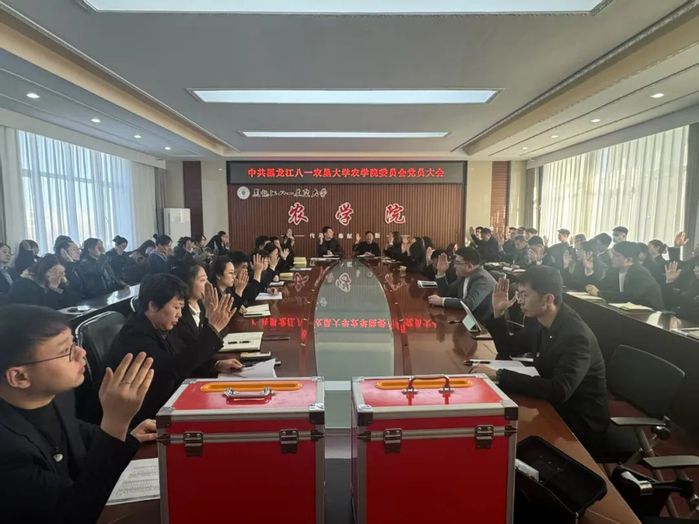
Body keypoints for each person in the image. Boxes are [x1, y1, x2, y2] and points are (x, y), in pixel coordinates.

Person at [0, 305, 157, 523]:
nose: (82, 352)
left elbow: (78, 432)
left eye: (74, 342)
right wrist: (115, 423)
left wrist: (125, 436)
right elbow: (74, 514)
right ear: (19, 377)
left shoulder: (57, 396)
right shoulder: (7, 451)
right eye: (66, 351)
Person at [474, 268, 609, 448]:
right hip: (548, 404)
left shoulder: (576, 337)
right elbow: (509, 347)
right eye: (518, 294)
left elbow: (559, 390)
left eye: (524, 295)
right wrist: (499, 312)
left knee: (506, 442)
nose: (519, 300)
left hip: (578, 420)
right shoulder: (538, 320)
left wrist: (500, 375)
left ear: (547, 299)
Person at [107, 273, 237, 424]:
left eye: (181, 308)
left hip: (169, 400)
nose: (179, 314)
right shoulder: (135, 335)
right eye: (176, 307)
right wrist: (213, 328)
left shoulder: (160, 325)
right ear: (153, 306)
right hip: (146, 418)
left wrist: (215, 365)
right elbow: (172, 369)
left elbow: (182, 354)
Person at [170, 262, 243, 374]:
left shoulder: (203, 305)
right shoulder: (178, 315)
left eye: (207, 279)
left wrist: (216, 365)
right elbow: (189, 357)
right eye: (202, 280)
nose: (208, 284)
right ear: (187, 284)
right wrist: (212, 324)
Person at [586, 241, 664, 310]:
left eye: (616, 256)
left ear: (629, 260)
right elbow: (600, 286)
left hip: (649, 313)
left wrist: (600, 293)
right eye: (613, 254)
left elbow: (629, 296)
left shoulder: (641, 273)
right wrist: (589, 270)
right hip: (626, 311)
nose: (612, 258)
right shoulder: (614, 271)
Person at [428, 247, 497, 322]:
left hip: (483, 324)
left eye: (457, 263)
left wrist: (442, 301)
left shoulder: (482, 279)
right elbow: (446, 293)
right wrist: (441, 272)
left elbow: (470, 304)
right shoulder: (464, 275)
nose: (454, 266)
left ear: (469, 266)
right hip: (467, 319)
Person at [8, 254, 80, 309]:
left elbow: (72, 302)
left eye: (61, 273)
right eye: (55, 272)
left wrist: (65, 283)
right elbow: (46, 310)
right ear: (45, 270)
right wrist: (53, 288)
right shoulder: (24, 284)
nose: (58, 275)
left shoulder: (53, 281)